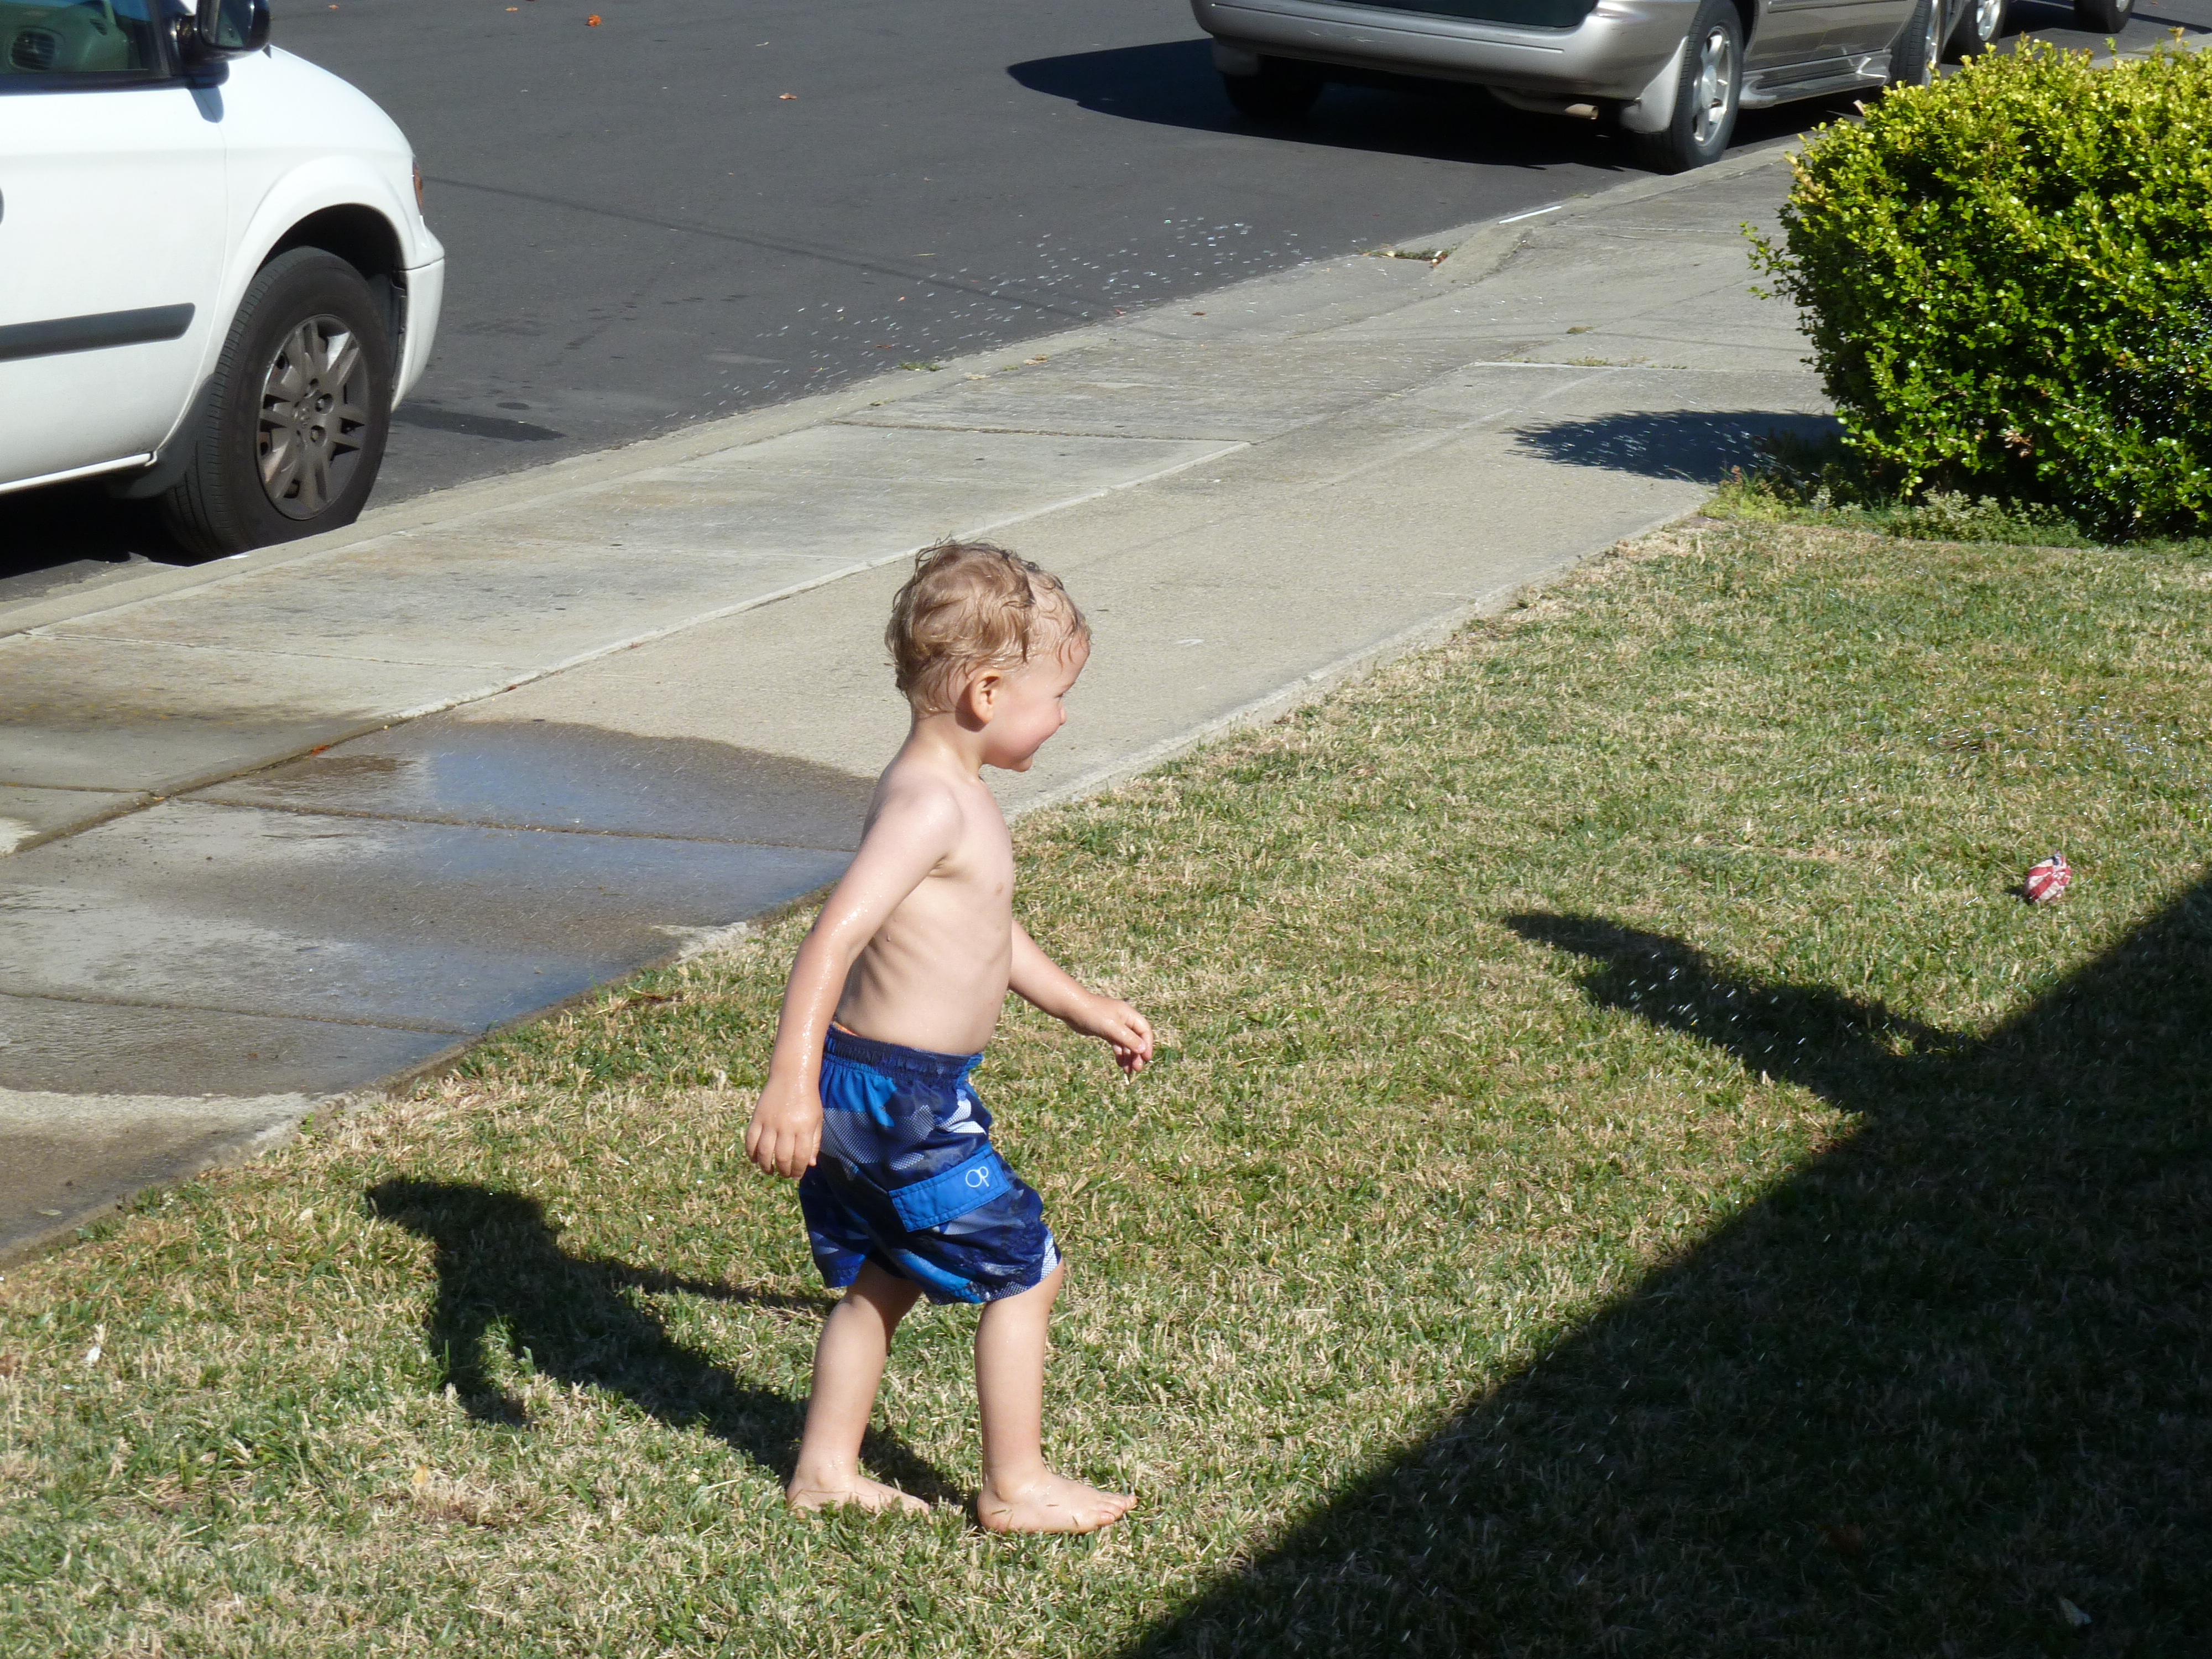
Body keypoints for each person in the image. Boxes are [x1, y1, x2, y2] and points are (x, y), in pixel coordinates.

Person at [745, 540, 1153, 1534]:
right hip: (898, 1097)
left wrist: (1080, 1005)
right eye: (1058, 698)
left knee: (883, 1278)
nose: (1064, 718)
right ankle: (1017, 1485)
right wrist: (789, 1083)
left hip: (880, 1090)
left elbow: (987, 930)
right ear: (986, 692)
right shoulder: (931, 805)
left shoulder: (946, 790)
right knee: (1028, 1267)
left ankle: (826, 1470)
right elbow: (831, 940)